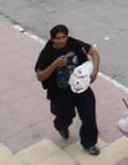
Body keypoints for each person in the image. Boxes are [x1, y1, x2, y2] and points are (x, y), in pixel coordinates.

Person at [35, 24, 101, 156]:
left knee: (89, 117)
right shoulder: (47, 53)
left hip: (82, 88)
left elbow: (94, 53)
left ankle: (89, 143)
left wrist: (94, 72)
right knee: (64, 118)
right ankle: (61, 126)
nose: (61, 40)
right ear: (52, 39)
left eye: (63, 37)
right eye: (58, 38)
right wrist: (54, 65)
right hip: (61, 94)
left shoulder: (73, 44)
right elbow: (40, 76)